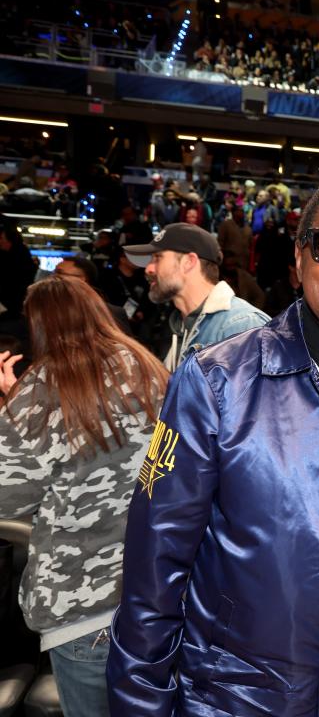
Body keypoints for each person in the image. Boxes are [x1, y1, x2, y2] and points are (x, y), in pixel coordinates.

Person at [107, 178, 319, 716]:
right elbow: (154, 571)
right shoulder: (215, 382)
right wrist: (141, 705)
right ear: (300, 256)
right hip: (232, 698)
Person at [0, 277, 167, 717]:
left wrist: (8, 404)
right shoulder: (146, 365)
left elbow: (7, 498)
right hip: (154, 598)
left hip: (80, 607)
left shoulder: (41, 387)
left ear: (39, 325)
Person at [123, 222, 269, 370]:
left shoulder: (242, 326)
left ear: (189, 262)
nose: (148, 268)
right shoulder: (180, 326)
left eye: (157, 258)